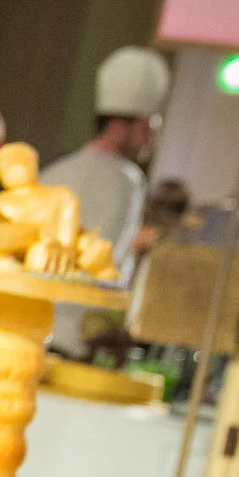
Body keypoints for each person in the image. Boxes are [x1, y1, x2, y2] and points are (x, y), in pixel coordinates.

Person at [44, 45, 167, 353]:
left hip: (34, 320)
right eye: (149, 127)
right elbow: (112, 260)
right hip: (81, 333)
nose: (150, 140)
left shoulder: (55, 170)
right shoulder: (128, 180)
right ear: (137, 124)